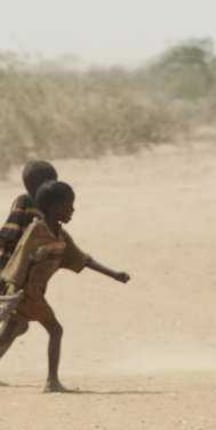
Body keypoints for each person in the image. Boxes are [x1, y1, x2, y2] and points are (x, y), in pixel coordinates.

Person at [0, 181, 130, 392]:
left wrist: (114, 274)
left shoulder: (60, 235)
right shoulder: (36, 230)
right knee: (55, 330)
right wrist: (11, 291)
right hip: (26, 294)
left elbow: (82, 259)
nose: (72, 210)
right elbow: (19, 259)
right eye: (68, 206)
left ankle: (52, 382)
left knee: (10, 332)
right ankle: (52, 382)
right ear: (53, 207)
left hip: (32, 294)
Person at [0, 161, 58, 270]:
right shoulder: (25, 201)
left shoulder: (44, 206)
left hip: (25, 264)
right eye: (52, 185)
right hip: (10, 263)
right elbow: (9, 233)